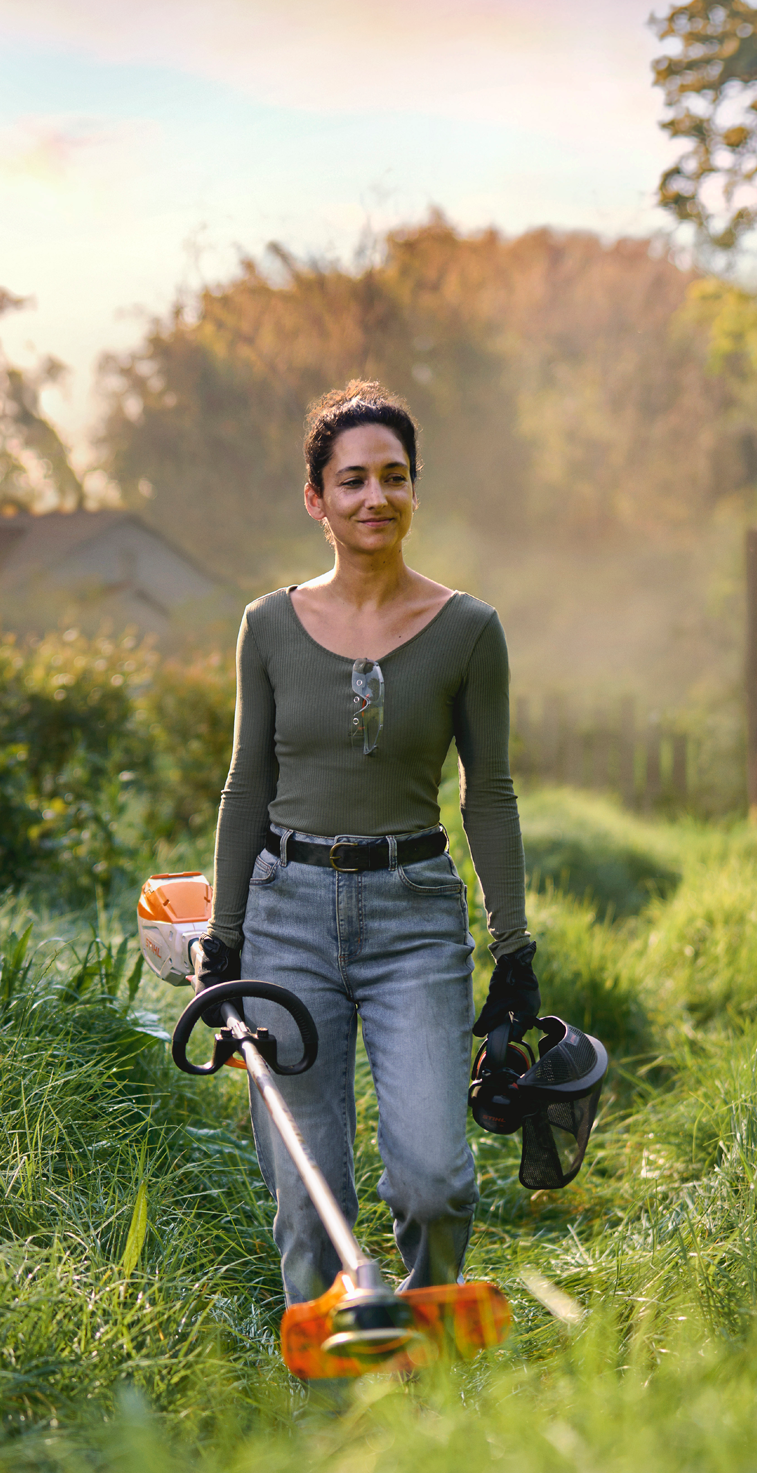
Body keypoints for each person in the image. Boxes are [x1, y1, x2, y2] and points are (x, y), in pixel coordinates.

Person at [202, 382, 532, 1309]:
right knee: (310, 1202)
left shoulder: (470, 630)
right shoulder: (267, 626)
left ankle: (422, 1365)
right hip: (288, 916)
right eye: (352, 481)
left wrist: (515, 952)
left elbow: (491, 794)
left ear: (415, 490)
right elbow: (246, 785)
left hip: (414, 913)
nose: (374, 498)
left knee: (434, 1182)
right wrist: (223, 939)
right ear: (317, 499)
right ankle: (327, 1402)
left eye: (394, 477)